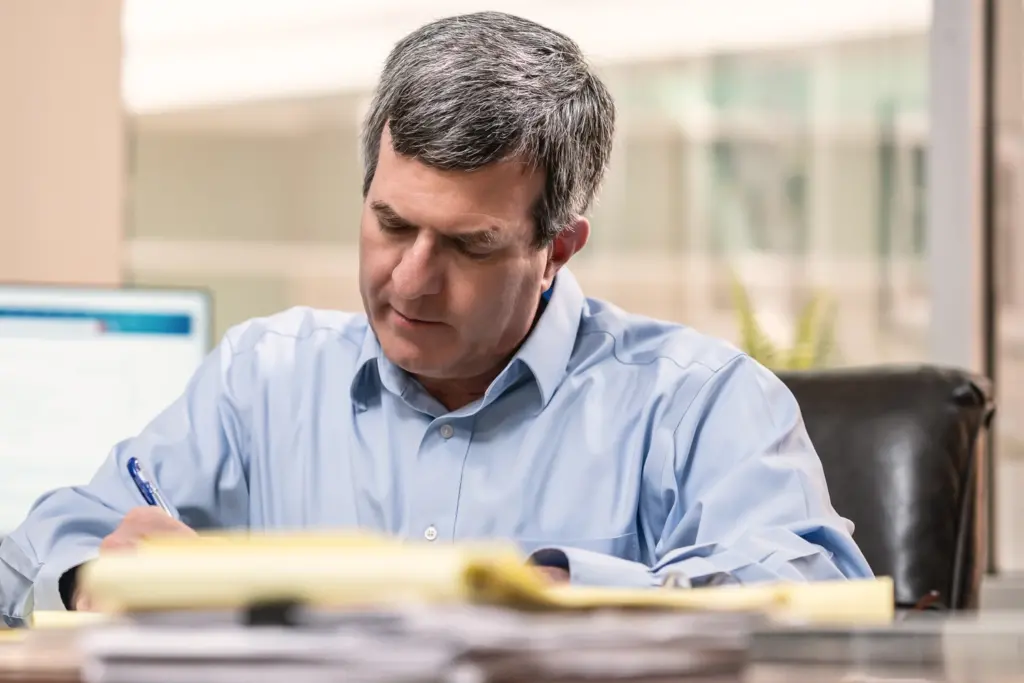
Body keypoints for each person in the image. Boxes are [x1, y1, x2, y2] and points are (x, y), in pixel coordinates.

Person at [0, 11, 871, 625]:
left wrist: (544, 589)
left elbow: (815, 591)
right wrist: (90, 577)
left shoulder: (697, 401)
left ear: (558, 248)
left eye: (468, 245)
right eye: (390, 224)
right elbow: (37, 548)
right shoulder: (262, 378)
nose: (411, 281)